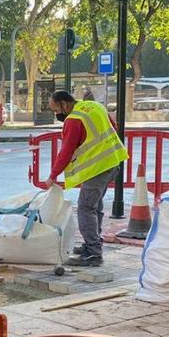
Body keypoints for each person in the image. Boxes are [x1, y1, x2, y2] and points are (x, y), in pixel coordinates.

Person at [43, 89, 128, 267]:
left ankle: (93, 253)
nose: (56, 114)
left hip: (98, 168)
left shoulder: (74, 120)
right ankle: (93, 243)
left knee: (85, 208)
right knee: (95, 206)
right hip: (113, 161)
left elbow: (65, 152)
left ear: (64, 104)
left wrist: (52, 176)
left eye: (56, 110)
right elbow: (114, 127)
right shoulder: (94, 106)